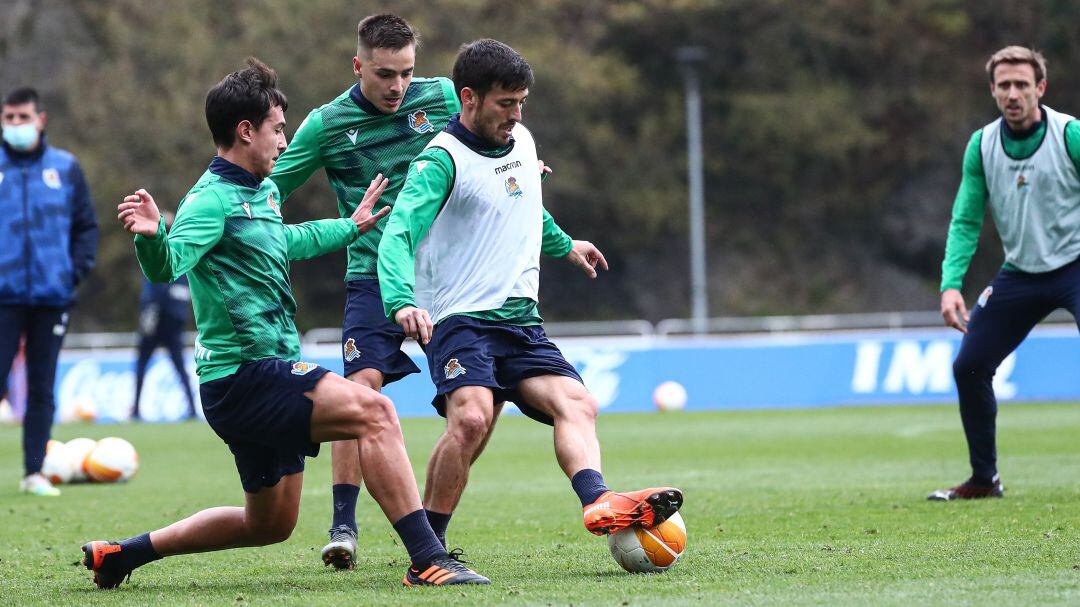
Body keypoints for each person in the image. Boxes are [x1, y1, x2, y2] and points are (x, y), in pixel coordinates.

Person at [81, 58, 489, 589]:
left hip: (249, 382)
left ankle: (121, 555)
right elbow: (167, 265)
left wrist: (350, 226)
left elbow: (287, 241)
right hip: (245, 375)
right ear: (245, 131)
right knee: (376, 412)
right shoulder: (209, 200)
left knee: (269, 524)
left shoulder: (262, 191)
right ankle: (427, 557)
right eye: (277, 128)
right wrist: (152, 235)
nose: (285, 139)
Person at [269, 13, 574, 568]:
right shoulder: (325, 125)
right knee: (360, 389)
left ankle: (432, 529)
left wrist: (520, 169)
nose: (397, 87)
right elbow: (267, 187)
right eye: (385, 74)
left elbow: (492, 145)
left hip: (453, 280)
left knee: (481, 406)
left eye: (407, 73)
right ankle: (343, 523)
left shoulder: (443, 96)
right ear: (358, 65)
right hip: (375, 271)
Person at [377, 39, 684, 555]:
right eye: (506, 103)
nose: (517, 115)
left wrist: (565, 244)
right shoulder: (440, 161)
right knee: (473, 418)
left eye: (522, 103)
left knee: (578, 403)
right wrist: (401, 301)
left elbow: (524, 204)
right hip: (459, 318)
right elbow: (398, 234)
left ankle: (598, 500)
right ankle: (429, 547)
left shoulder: (522, 141)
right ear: (468, 98)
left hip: (520, 319)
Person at [931, 46, 1080, 501]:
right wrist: (951, 284)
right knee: (969, 366)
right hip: (1021, 272)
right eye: (1003, 85)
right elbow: (965, 219)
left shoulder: (1069, 134)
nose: (1012, 94)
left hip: (1075, 262)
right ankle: (984, 479)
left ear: (1041, 88)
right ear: (992, 91)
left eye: (1021, 84)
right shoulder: (982, 146)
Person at [0, 87, 98, 497]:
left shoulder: (67, 168)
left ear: (40, 119)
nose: (16, 125)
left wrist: (72, 273)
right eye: (9, 118)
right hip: (3, 298)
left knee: (41, 388)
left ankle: (34, 473)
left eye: (23, 117)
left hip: (51, 297)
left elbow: (86, 227)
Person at [132, 212, 196, 421]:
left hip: (158, 320)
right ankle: (192, 409)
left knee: (142, 364)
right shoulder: (183, 255)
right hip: (174, 321)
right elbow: (185, 295)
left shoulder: (156, 254)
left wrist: (149, 315)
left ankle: (135, 410)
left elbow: (153, 290)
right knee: (179, 367)